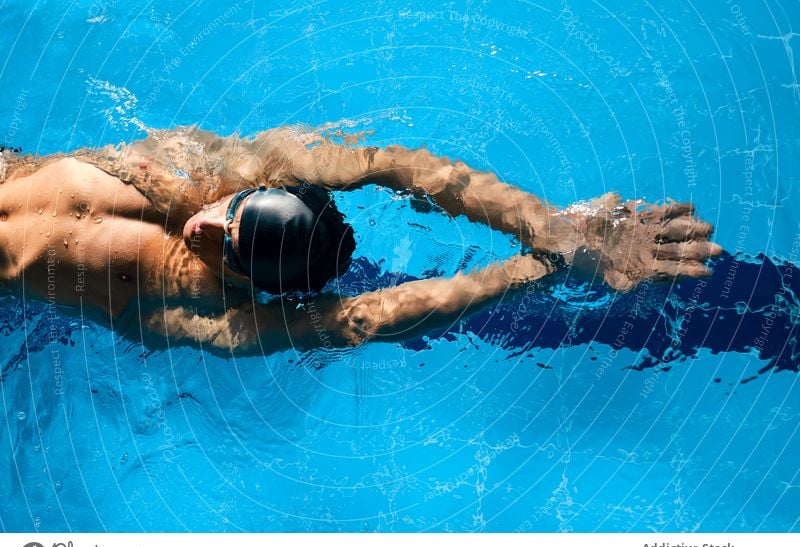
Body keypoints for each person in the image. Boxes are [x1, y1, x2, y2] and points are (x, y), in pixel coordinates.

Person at [0, 126, 721, 356]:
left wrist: (543, 269)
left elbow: (367, 316)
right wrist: (554, 228)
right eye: (234, 210)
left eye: (230, 240)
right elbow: (391, 165)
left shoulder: (211, 316)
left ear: (252, 279)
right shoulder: (219, 174)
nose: (207, 222)